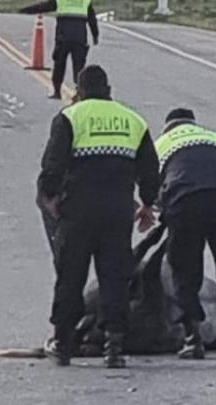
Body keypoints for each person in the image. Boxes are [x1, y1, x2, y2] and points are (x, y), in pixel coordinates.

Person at [37, 65, 160, 368]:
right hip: (118, 211)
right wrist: (145, 204)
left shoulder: (70, 117)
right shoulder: (133, 120)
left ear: (79, 90)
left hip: (78, 209)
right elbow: (150, 170)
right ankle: (114, 346)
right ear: (109, 90)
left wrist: (49, 196)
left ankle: (64, 344)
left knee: (71, 276)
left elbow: (53, 164)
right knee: (115, 278)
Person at [151, 108, 216, 359]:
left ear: (169, 127)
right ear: (193, 123)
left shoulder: (161, 145)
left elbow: (154, 189)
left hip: (184, 202)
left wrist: (161, 212)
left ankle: (192, 338)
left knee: (185, 271)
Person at [20, 0, 101, 100]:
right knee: (79, 68)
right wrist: (95, 36)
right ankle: (80, 94)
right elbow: (92, 20)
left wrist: (23, 10)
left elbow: (42, 7)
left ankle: (57, 92)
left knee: (59, 66)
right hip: (80, 39)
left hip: (63, 38)